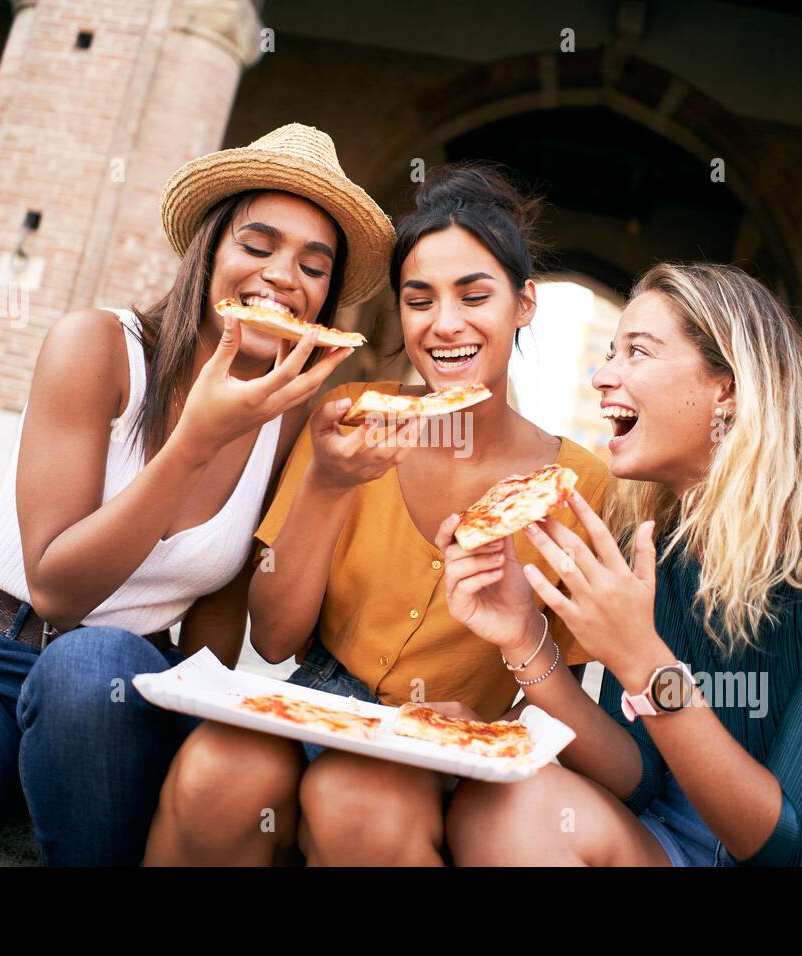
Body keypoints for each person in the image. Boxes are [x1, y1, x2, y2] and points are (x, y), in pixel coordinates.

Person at [0, 123, 394, 865]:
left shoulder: (285, 414)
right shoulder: (96, 346)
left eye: (313, 267)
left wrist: (202, 740)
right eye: (257, 247)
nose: (284, 277)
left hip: (123, 696)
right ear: (208, 252)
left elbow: (219, 609)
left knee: (93, 667)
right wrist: (193, 445)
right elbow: (59, 589)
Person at [144, 162, 612, 866]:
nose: (445, 324)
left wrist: (489, 728)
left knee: (360, 804)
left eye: (475, 296)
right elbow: (274, 640)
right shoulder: (347, 422)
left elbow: (559, 700)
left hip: (455, 746)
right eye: (419, 300)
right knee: (219, 772)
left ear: (524, 304)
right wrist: (329, 484)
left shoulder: (579, 482)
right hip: (320, 699)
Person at [441, 261, 802, 867]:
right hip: (675, 825)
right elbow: (638, 779)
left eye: (636, 352)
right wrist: (525, 638)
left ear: (730, 389)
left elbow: (780, 843)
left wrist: (643, 660)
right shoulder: (657, 542)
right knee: (500, 805)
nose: (602, 375)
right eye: (609, 353)